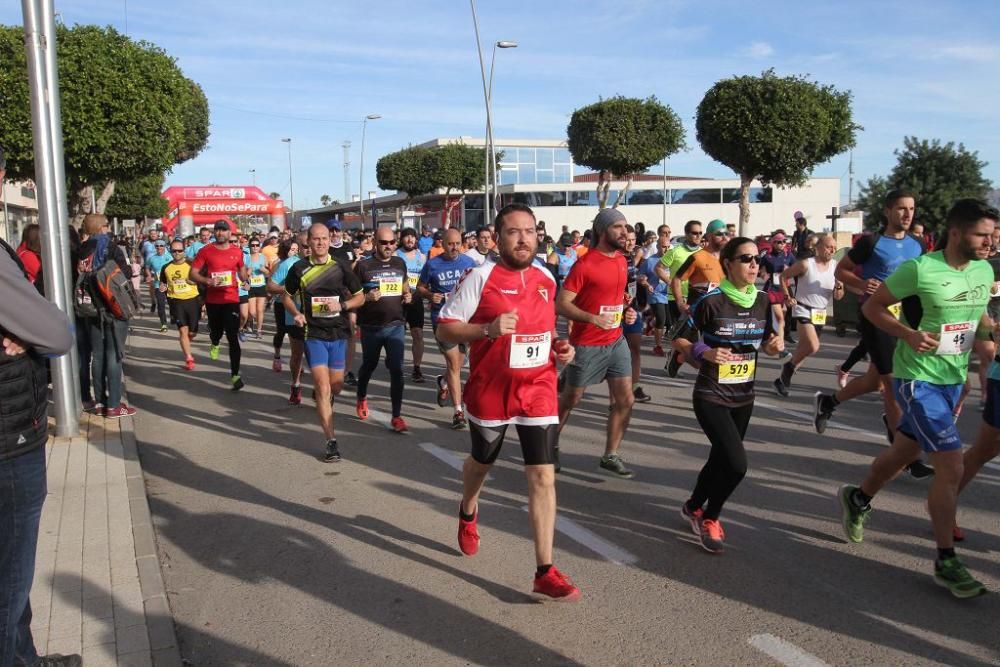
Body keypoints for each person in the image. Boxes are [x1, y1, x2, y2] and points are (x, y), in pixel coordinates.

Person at [837, 198, 997, 599]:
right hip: (917, 378)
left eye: (993, 236)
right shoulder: (921, 269)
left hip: (951, 379)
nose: (989, 243)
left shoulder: (983, 269)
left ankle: (858, 497)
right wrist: (907, 334)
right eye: (982, 235)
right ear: (957, 232)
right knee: (952, 463)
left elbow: (977, 316)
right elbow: (874, 308)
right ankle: (946, 559)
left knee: (902, 454)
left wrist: (984, 354)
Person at [436, 202, 580, 601]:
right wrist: (487, 329)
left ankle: (544, 569)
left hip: (538, 387)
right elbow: (444, 330)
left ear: (538, 235)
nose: (523, 238)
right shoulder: (480, 277)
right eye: (514, 232)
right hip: (491, 390)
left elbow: (546, 331)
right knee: (482, 462)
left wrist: (560, 349)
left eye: (530, 231)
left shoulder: (546, 278)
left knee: (543, 474)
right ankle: (468, 507)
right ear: (497, 238)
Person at [674, 237, 783, 553]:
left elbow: (767, 341)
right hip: (710, 395)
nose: (754, 264)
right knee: (737, 465)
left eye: (757, 258)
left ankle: (693, 505)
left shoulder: (762, 301)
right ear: (728, 265)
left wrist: (773, 347)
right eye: (746, 258)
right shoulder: (710, 303)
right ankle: (710, 517)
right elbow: (679, 341)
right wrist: (703, 351)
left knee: (720, 457)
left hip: (744, 397)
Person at [814, 190, 933, 478]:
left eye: (912, 209)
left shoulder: (917, 244)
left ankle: (829, 402)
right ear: (888, 211)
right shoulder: (871, 243)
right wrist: (862, 283)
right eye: (902, 209)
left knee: (874, 381)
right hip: (875, 316)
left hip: (907, 318)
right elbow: (842, 271)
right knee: (892, 384)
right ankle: (905, 454)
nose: (907, 214)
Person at [0, 230, 78, 667]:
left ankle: (25, 659)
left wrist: (27, 329)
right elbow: (57, 332)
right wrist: (32, 328)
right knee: (8, 586)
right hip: (8, 444)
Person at [557, 208, 638, 478]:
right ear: (603, 231)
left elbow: (615, 297)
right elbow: (562, 304)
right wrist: (592, 318)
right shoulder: (585, 264)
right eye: (619, 227)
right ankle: (548, 444)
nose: (625, 233)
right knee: (571, 399)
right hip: (587, 343)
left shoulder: (621, 261)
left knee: (626, 399)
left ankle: (610, 454)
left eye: (626, 228)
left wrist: (626, 309)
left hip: (616, 340)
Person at [282, 223, 364, 462]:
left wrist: (344, 305)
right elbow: (286, 296)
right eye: (316, 239)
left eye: (324, 238)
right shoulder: (299, 268)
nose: (320, 243)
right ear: (309, 241)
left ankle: (323, 396)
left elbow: (360, 297)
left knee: (335, 387)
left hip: (338, 334)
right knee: (323, 387)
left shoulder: (340, 266)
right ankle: (331, 441)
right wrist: (296, 313)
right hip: (313, 334)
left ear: (330, 239)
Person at [78, 214, 137, 418]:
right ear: (103, 227)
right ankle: (113, 405)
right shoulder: (111, 248)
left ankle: (101, 402)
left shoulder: (82, 250)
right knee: (114, 356)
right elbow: (126, 274)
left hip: (91, 309)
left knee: (98, 355)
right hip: (115, 308)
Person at [354, 226, 411, 433]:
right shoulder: (364, 266)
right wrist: (367, 298)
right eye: (384, 243)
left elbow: (404, 286)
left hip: (396, 325)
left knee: (397, 370)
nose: (388, 246)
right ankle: (361, 396)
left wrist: (408, 295)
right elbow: (351, 295)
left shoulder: (399, 263)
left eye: (392, 242)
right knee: (369, 366)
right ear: (375, 243)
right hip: (371, 327)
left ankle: (396, 416)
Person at [773, 234, 845, 396]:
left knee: (804, 351)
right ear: (818, 248)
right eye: (828, 247)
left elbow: (838, 297)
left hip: (820, 313)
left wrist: (839, 287)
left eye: (834, 248)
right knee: (813, 346)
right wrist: (787, 297)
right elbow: (784, 277)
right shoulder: (806, 264)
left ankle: (781, 381)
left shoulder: (836, 267)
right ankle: (787, 371)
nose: (831, 250)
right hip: (803, 309)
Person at [419, 228, 477, 428]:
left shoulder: (469, 263)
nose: (454, 248)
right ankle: (458, 412)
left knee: (459, 364)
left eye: (457, 244)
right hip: (442, 320)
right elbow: (420, 287)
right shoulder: (432, 265)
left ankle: (444, 382)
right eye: (450, 244)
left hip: (465, 320)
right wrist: (429, 295)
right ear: (442, 244)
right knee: (454, 365)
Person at [189, 219, 248, 391]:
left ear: (230, 233)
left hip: (231, 300)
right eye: (217, 230)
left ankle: (235, 374)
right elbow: (192, 274)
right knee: (216, 331)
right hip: (213, 301)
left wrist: (246, 279)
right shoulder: (206, 251)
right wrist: (207, 280)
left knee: (232, 337)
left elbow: (242, 271)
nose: (220, 233)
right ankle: (214, 342)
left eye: (223, 230)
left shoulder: (237, 252)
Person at [657, 220, 704, 376]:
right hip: (676, 299)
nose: (698, 236)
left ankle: (675, 360)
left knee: (689, 339)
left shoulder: (704, 254)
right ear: (687, 234)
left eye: (700, 233)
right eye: (694, 233)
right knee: (682, 338)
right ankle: (676, 363)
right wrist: (670, 282)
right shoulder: (675, 251)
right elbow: (659, 268)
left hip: (697, 299)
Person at [268, 240, 306, 403]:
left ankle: (321, 388)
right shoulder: (289, 265)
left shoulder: (328, 264)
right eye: (304, 246)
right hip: (295, 315)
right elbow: (270, 286)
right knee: (297, 354)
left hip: (320, 316)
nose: (309, 249)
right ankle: (296, 385)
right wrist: (291, 288)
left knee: (317, 354)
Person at [160, 239, 201, 370]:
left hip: (193, 300)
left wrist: (194, 283)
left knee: (192, 332)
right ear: (170, 251)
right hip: (176, 302)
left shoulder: (192, 264)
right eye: (174, 251)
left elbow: (202, 282)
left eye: (180, 250)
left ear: (184, 251)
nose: (177, 253)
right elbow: (163, 283)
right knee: (183, 330)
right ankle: (189, 358)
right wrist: (163, 288)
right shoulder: (166, 268)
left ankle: (187, 342)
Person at [329, 223, 360, 386]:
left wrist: (352, 286)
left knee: (351, 331)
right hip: (331, 296)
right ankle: (332, 369)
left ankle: (347, 371)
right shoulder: (325, 249)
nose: (335, 233)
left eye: (337, 230)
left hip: (349, 295)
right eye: (332, 230)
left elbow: (353, 267)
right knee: (333, 333)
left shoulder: (348, 247)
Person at [622, 226, 651, 403]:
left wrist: (639, 281)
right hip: (613, 311)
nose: (631, 243)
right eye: (628, 239)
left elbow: (630, 283)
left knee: (635, 349)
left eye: (633, 239)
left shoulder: (632, 258)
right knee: (603, 353)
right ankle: (570, 377)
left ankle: (634, 387)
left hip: (632, 309)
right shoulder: (614, 258)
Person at [395, 228, 428, 382]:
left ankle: (417, 368)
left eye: (412, 237)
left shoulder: (422, 257)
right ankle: (397, 366)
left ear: (416, 239)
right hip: (399, 300)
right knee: (398, 337)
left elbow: (426, 279)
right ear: (401, 239)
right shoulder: (395, 255)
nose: (410, 240)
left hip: (415, 300)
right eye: (407, 237)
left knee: (418, 334)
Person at [758, 232, 796, 347]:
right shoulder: (767, 256)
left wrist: (789, 269)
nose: (782, 244)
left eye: (784, 241)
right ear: (773, 243)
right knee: (779, 318)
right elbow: (759, 269)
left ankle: (781, 338)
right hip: (772, 289)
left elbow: (797, 269)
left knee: (783, 318)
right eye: (779, 242)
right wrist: (763, 274)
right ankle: (779, 344)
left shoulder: (789, 255)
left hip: (785, 289)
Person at [641, 224, 672, 356]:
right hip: (656, 294)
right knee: (661, 319)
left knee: (670, 323)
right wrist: (647, 284)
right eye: (663, 247)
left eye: (667, 247)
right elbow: (641, 277)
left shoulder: (673, 260)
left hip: (670, 295)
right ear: (658, 246)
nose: (665, 250)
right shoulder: (650, 261)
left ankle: (651, 322)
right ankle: (658, 346)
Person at [144, 239, 172, 332]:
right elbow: (147, 267)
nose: (159, 247)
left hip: (170, 285)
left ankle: (173, 317)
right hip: (158, 284)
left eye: (161, 245)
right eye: (157, 246)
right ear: (155, 247)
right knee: (161, 305)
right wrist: (148, 275)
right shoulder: (152, 258)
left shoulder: (170, 257)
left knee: (173, 304)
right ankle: (163, 324)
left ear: (165, 247)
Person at [245, 238, 271, 339]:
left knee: (260, 310)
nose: (255, 247)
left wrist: (264, 270)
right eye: (253, 245)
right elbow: (242, 274)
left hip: (261, 285)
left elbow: (269, 273)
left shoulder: (263, 257)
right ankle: (249, 321)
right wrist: (248, 272)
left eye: (257, 245)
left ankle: (259, 330)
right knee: (252, 311)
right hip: (250, 286)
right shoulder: (246, 257)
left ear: (259, 246)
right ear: (250, 246)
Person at [139, 228, 160, 312]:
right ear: (149, 235)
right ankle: (153, 302)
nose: (153, 235)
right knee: (151, 286)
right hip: (149, 268)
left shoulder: (161, 243)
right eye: (151, 234)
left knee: (160, 285)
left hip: (159, 267)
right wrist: (141, 264)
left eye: (154, 234)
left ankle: (160, 302)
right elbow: (141, 253)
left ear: (157, 235)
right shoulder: (145, 243)